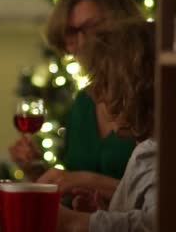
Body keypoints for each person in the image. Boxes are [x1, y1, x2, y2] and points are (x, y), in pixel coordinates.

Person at [9, 0, 143, 200]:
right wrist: (37, 172)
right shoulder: (84, 103)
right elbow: (74, 199)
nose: (80, 44)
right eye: (70, 34)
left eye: (90, 28)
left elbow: (161, 198)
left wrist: (86, 180)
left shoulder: (150, 93)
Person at [57, 19, 155, 231]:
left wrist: (79, 222)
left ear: (137, 87)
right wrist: (102, 213)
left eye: (106, 83)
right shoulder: (144, 149)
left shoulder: (159, 156)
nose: (97, 95)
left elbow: (156, 223)